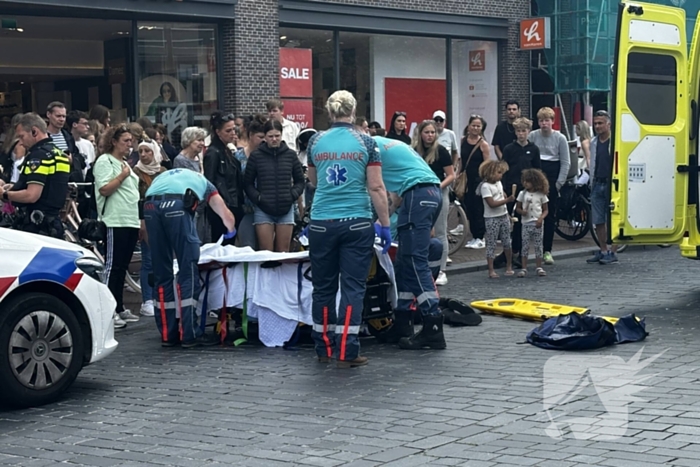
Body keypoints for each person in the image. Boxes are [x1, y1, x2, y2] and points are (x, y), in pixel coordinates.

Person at [306, 90, 391, 368]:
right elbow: (376, 187)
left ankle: (322, 347)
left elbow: (315, 181)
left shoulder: (315, 141)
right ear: (353, 112)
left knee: (323, 288)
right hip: (356, 220)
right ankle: (347, 350)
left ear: (329, 113)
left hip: (321, 222)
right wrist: (385, 224)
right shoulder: (366, 142)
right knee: (353, 287)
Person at [144, 168, 236, 348]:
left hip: (149, 206)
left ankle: (168, 335)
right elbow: (226, 215)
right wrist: (231, 234)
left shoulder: (164, 177)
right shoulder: (206, 184)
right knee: (188, 271)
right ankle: (190, 334)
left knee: (162, 274)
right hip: (177, 206)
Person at [373, 136, 446, 350]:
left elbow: (374, 186)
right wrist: (381, 222)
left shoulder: (368, 147)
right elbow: (395, 197)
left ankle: (433, 324)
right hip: (429, 193)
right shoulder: (392, 147)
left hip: (418, 195)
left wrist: (377, 223)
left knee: (414, 262)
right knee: (404, 262)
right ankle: (403, 322)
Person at [93, 124, 140, 330]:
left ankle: (119, 306)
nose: (129, 145)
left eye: (131, 141)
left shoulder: (124, 163)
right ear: (114, 141)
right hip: (115, 218)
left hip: (130, 218)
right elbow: (104, 189)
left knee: (122, 266)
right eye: (125, 141)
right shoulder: (105, 161)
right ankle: (108, 310)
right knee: (112, 266)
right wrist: (121, 176)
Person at [1, 113, 69, 239]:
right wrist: (11, 186)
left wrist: (4, 194)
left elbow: (31, 195)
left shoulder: (38, 156)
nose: (20, 142)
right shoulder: (58, 153)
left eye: (22, 137)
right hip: (53, 223)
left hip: (37, 227)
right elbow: (50, 184)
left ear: (34, 132)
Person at [244, 119, 305, 252]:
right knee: (266, 252)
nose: (274, 139)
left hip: (286, 207)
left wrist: (292, 195)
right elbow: (247, 183)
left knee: (283, 252)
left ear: (281, 135)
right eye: (270, 136)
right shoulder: (256, 156)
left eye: (277, 136)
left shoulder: (290, 155)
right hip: (263, 208)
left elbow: (300, 181)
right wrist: (258, 198)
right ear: (265, 137)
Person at [411, 120, 454, 286]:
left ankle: (441, 269)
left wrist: (438, 187)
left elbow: (451, 175)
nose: (430, 135)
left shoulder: (441, 151)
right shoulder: (414, 151)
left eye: (432, 132)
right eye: (427, 132)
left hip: (438, 191)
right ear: (420, 134)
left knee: (440, 230)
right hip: (419, 192)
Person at [497, 117, 541, 268]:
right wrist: (502, 188)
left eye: (524, 131)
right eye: (518, 131)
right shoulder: (509, 149)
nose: (521, 134)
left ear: (528, 132)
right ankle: (507, 252)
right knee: (507, 221)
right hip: (511, 188)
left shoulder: (534, 149)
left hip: (527, 191)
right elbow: (503, 169)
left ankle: (519, 252)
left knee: (523, 222)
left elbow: (537, 170)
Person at [528, 107, 570, 265]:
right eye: (541, 120)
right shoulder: (533, 136)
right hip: (536, 176)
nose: (544, 123)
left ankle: (547, 250)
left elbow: (565, 162)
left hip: (552, 177)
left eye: (547, 120)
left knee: (549, 215)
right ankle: (530, 249)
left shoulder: (560, 138)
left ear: (553, 121)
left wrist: (558, 184)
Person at [132, 140, 167, 317]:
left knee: (162, 259)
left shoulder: (163, 172)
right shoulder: (135, 172)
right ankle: (147, 299)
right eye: (140, 151)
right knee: (148, 259)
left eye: (148, 151)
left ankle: (160, 296)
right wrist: (140, 221)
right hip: (146, 218)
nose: (144, 155)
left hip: (163, 218)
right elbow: (136, 198)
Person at [203, 111, 244, 242]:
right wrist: (222, 207)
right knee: (222, 245)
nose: (233, 133)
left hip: (232, 204)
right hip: (222, 207)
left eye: (234, 129)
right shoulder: (213, 153)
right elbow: (209, 183)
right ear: (218, 132)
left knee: (229, 245)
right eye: (228, 130)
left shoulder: (226, 151)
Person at [586, 110, 618, 265]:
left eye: (600, 123)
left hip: (612, 184)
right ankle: (604, 250)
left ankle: (613, 251)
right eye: (595, 123)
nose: (597, 126)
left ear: (608, 124)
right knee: (598, 219)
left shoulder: (617, 141)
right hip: (597, 182)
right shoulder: (593, 142)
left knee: (615, 218)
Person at [235, 115, 267, 249]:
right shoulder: (237, 157)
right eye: (260, 137)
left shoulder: (268, 157)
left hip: (266, 209)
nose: (264, 141)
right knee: (247, 247)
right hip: (245, 210)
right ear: (251, 135)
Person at [479, 160, 515, 278]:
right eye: (499, 172)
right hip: (492, 218)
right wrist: (507, 200)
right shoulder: (485, 186)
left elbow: (501, 193)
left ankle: (509, 265)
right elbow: (492, 203)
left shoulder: (498, 183)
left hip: (503, 215)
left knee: (507, 242)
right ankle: (491, 270)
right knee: (491, 243)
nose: (501, 175)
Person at [460, 115, 490, 249]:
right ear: (469, 126)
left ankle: (480, 237)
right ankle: (473, 236)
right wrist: (457, 174)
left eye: (478, 126)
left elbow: (487, 164)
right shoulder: (462, 141)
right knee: (468, 207)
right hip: (466, 179)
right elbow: (461, 160)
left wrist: (485, 181)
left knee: (478, 208)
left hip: (478, 180)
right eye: (473, 125)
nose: (475, 128)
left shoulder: (483, 144)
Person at [516, 169, 549, 277]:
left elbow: (545, 209)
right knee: (525, 246)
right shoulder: (522, 194)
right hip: (526, 223)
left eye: (528, 181)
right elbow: (518, 208)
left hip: (537, 223)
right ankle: (524, 267)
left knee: (538, 245)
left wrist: (541, 218)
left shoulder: (541, 195)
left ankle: (539, 266)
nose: (525, 183)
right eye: (524, 181)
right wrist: (522, 212)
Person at [0, 113, 26, 183]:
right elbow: (18, 164)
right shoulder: (20, 144)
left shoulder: (8, 141)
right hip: (13, 179)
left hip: (5, 176)